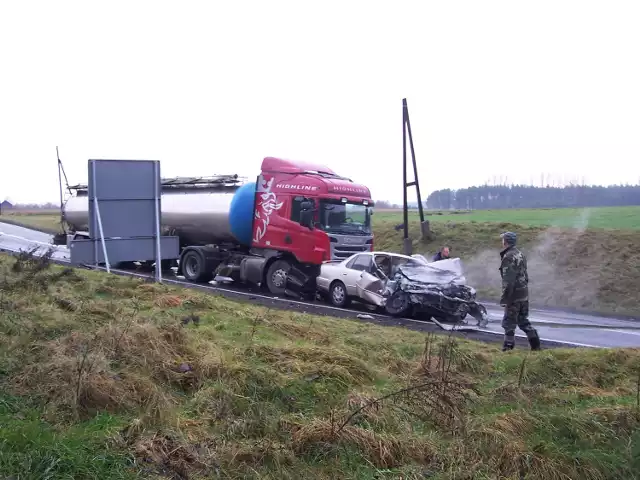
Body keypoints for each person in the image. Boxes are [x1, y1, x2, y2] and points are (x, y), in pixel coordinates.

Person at [499, 231, 541, 351]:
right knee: (523, 321)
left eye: (503, 240)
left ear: (505, 242)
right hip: (523, 293)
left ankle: (508, 349)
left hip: (514, 295)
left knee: (508, 324)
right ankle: (536, 345)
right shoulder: (520, 254)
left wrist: (505, 298)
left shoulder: (508, 257)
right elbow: (525, 276)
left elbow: (508, 281)